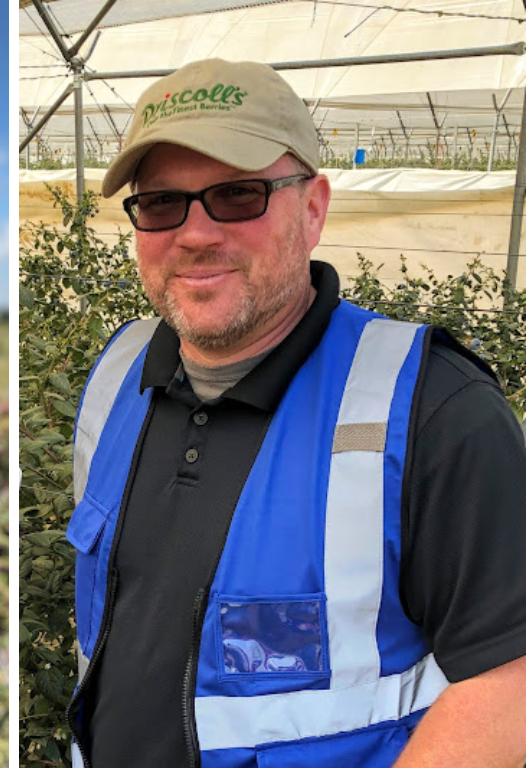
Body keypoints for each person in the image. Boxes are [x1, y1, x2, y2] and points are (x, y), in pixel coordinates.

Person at [66, 59, 526, 768]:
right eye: (161, 202)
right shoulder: (118, 373)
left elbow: (508, 682)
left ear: (313, 209)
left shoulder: (433, 411)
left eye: (237, 195)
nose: (193, 234)